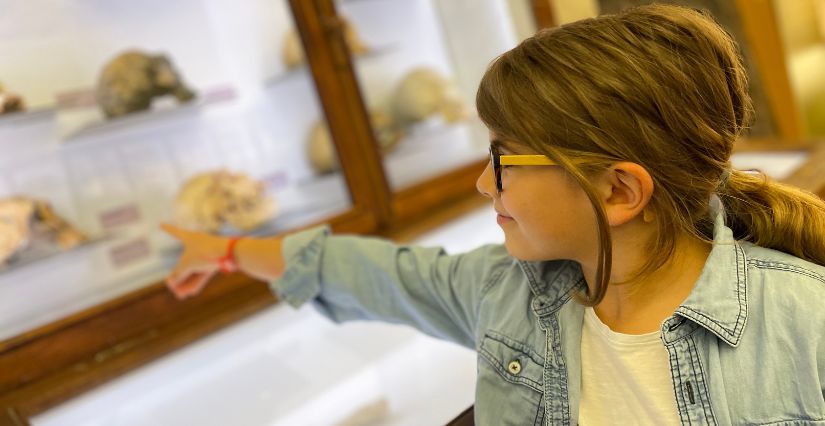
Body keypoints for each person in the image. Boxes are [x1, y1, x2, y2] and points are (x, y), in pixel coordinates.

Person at [163, 4, 825, 424]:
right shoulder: (506, 296)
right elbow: (365, 271)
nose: (484, 183)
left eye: (504, 160)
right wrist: (223, 251)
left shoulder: (805, 322)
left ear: (619, 193)